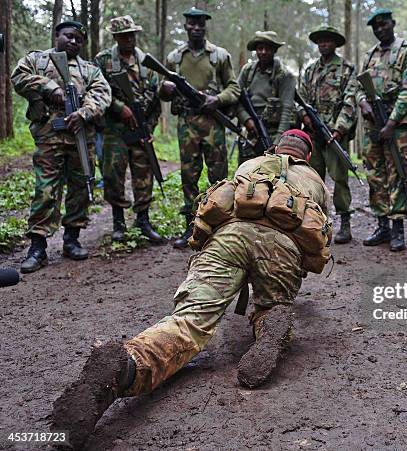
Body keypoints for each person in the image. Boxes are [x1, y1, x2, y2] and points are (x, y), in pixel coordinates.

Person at [50, 130, 331, 449]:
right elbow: (318, 239)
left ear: (275, 148)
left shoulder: (251, 164)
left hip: (228, 239)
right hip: (282, 248)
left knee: (188, 322)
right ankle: (269, 324)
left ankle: (127, 367)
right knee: (271, 306)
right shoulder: (314, 180)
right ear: (307, 156)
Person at [11, 21, 111, 274]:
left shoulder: (90, 69)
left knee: (80, 188)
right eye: (69, 36)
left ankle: (72, 239)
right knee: (45, 190)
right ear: (57, 36)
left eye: (79, 39)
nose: (74, 42)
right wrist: (48, 87)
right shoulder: (38, 61)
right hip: (49, 138)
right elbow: (18, 77)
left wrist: (84, 113)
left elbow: (102, 94)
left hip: (80, 138)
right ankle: (37, 247)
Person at [163, 7, 240, 249]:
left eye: (200, 24)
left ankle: (220, 224)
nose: (196, 28)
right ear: (185, 26)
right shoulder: (175, 57)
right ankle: (192, 225)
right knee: (189, 175)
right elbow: (161, 89)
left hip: (213, 123)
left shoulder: (219, 55)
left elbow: (234, 88)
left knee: (218, 175)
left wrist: (217, 100)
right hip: (187, 123)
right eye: (191, 24)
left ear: (205, 27)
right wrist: (165, 88)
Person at [94, 15, 163, 243]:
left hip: (141, 130)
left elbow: (156, 101)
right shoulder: (103, 60)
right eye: (123, 36)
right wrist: (118, 107)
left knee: (144, 175)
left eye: (131, 35)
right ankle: (118, 221)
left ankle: (143, 220)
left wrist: (149, 127)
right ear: (115, 37)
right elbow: (97, 91)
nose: (129, 39)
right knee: (113, 175)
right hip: (115, 130)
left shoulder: (147, 62)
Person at [357, 8, 407, 252]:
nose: (380, 29)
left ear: (392, 23)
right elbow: (358, 87)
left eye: (384, 24)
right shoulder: (370, 55)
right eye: (375, 26)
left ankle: (397, 229)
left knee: (397, 174)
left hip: (396, 126)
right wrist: (363, 103)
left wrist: (391, 123)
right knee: (375, 173)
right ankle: (382, 225)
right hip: (372, 125)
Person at [299, 25, 357, 244]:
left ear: (335, 43)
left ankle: (344, 223)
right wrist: (305, 117)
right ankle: (315, 223)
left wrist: (339, 128)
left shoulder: (346, 69)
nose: (323, 43)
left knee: (340, 179)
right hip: (313, 136)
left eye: (328, 40)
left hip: (334, 137)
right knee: (313, 181)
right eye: (320, 40)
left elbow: (350, 100)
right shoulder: (310, 70)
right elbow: (301, 98)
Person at [236, 31, 296, 163]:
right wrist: (246, 120)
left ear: (274, 50)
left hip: (273, 132)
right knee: (246, 174)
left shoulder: (284, 75)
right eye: (260, 48)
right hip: (250, 131)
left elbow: (287, 109)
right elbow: (236, 98)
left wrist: (278, 141)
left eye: (268, 48)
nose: (263, 52)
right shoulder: (247, 71)